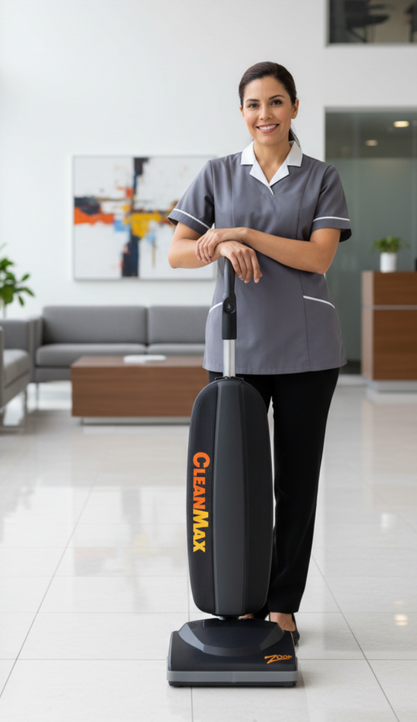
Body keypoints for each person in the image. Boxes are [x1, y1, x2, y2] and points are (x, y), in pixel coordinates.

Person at [167, 61, 351, 643]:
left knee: (295, 483)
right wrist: (216, 246)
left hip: (307, 352)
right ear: (242, 112)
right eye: (253, 104)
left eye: (275, 102)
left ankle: (282, 604)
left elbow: (317, 257)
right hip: (234, 349)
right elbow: (176, 252)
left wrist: (240, 233)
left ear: (294, 107)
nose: (264, 114)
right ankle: (240, 596)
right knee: (233, 479)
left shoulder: (321, 177)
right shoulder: (218, 174)